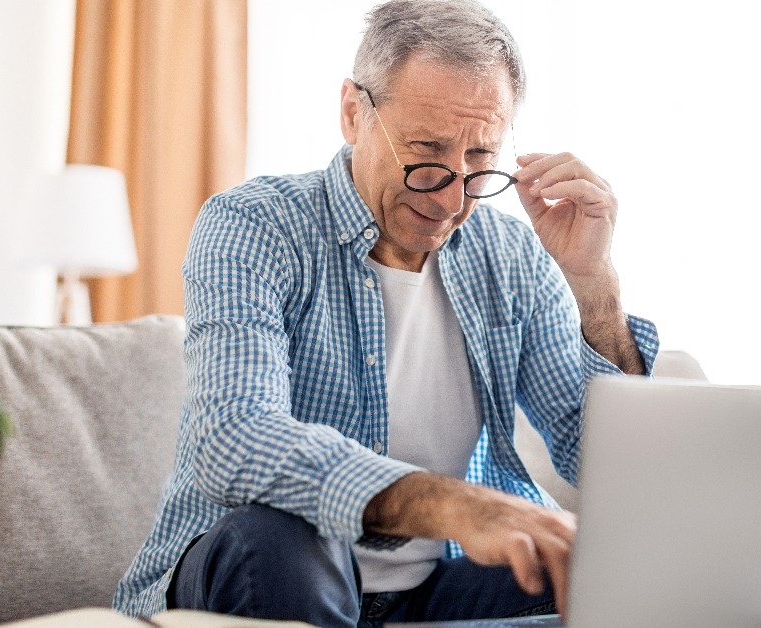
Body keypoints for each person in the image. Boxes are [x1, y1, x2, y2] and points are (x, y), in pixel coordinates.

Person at [114, 0, 657, 625]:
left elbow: (605, 465)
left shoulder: (511, 256)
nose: (453, 198)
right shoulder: (255, 226)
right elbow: (234, 438)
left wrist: (592, 283)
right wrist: (455, 506)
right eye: (427, 149)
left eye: (480, 159)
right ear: (353, 113)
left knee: (604, 570)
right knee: (285, 540)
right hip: (269, 565)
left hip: (429, 593)